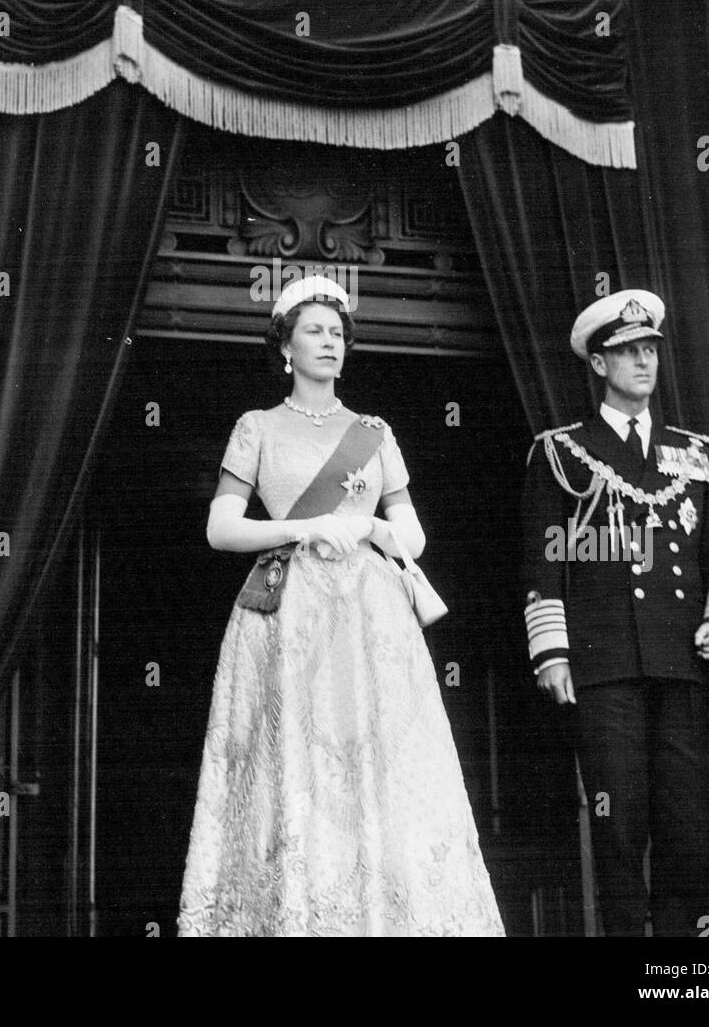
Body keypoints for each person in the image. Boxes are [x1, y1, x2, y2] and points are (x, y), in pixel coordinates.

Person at [178, 276, 503, 937]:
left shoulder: (374, 434)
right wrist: (301, 529)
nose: (330, 342)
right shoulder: (258, 427)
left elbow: (412, 535)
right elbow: (221, 530)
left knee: (380, 761)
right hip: (290, 612)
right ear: (286, 347)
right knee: (296, 760)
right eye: (315, 331)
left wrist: (375, 531)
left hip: (370, 615)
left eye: (338, 332)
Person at [521, 290, 709, 937]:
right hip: (604, 665)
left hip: (683, 664)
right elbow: (543, 564)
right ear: (598, 363)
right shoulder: (564, 454)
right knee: (619, 828)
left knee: (685, 827)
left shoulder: (694, 453)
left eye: (650, 349)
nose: (644, 361)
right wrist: (553, 652)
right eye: (628, 351)